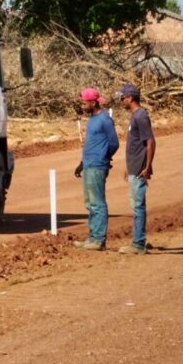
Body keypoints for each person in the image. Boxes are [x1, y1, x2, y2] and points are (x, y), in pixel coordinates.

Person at [73, 87, 119, 251]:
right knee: (90, 203)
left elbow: (114, 143)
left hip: (97, 166)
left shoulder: (105, 119)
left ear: (93, 103)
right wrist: (82, 163)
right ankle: (92, 237)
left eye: (84, 103)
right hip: (88, 165)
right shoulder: (92, 119)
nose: (82, 106)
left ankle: (99, 239)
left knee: (97, 203)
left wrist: (104, 158)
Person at [116, 83, 155, 254]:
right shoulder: (135, 116)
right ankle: (138, 240)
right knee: (135, 205)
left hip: (139, 169)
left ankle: (138, 243)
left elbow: (150, 142)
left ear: (130, 98)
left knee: (138, 206)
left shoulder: (141, 116)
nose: (121, 100)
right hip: (134, 166)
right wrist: (128, 166)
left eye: (122, 97)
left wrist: (147, 166)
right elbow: (136, 145)